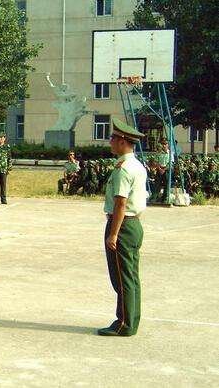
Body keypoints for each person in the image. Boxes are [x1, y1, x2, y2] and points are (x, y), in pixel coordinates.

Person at [98, 118, 147, 337]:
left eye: (113, 138)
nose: (110, 142)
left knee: (122, 277)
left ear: (122, 142)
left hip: (123, 225)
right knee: (131, 276)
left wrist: (114, 234)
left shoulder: (123, 169)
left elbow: (120, 203)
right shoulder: (136, 164)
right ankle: (131, 320)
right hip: (134, 224)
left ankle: (124, 324)